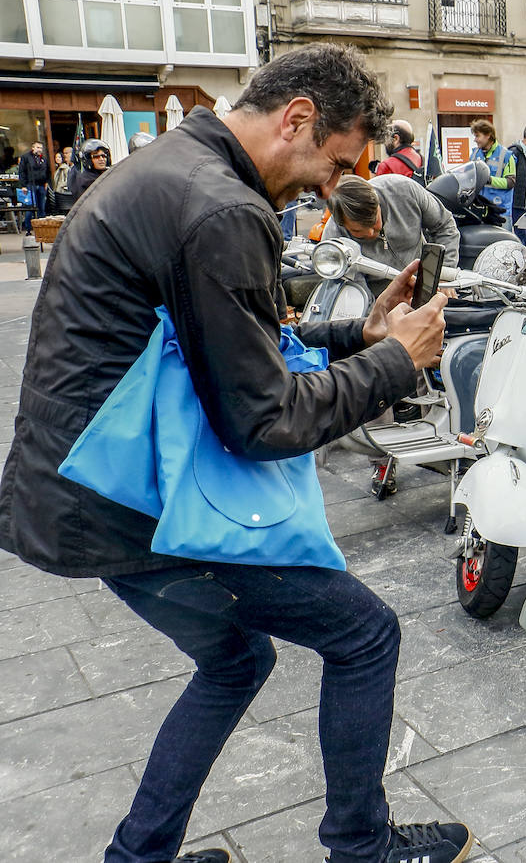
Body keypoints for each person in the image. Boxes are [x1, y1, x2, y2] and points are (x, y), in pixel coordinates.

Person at [0, 43, 474, 863]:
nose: (333, 187)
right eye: (334, 161)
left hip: (77, 494)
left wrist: (354, 335)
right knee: (364, 635)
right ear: (296, 118)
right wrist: (397, 361)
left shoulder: (175, 167)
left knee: (234, 660)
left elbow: (220, 350)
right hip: (133, 510)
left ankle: (139, 856)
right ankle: (362, 848)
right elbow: (261, 419)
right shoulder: (224, 208)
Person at [322, 173, 461, 275]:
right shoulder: (334, 238)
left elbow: (445, 225)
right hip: (377, 297)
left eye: (374, 222)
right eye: (358, 231)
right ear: (342, 224)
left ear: (377, 203)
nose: (370, 233)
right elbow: (351, 288)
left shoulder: (405, 191)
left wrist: (444, 274)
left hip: (422, 283)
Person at [469, 119, 512, 228]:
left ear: (488, 135)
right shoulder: (474, 154)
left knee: (503, 244)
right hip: (480, 210)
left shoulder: (506, 155)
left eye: (477, 136)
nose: (475, 140)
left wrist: (489, 179)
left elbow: (510, 182)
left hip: (500, 211)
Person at [17, 140, 48, 233]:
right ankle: (28, 229)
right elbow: (21, 172)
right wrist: (23, 185)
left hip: (41, 185)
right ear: (33, 148)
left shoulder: (43, 159)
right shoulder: (26, 157)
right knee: (30, 207)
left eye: (41, 148)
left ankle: (42, 228)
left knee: (41, 207)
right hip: (30, 185)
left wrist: (46, 182)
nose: (40, 150)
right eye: (38, 147)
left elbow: (48, 171)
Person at [52, 146, 74, 212]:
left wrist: (63, 186)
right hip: (57, 191)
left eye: (59, 157)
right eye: (56, 157)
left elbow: (67, 179)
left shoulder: (65, 168)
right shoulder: (58, 168)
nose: (57, 159)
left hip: (62, 192)